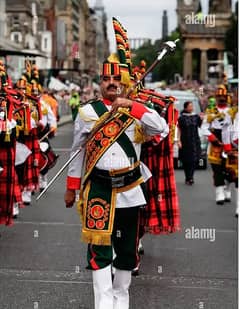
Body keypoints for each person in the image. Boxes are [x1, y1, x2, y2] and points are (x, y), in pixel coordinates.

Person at [64, 59, 168, 309]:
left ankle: (121, 300)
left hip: (130, 189)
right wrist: (71, 187)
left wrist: (133, 106)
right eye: (106, 80)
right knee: (99, 250)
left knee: (126, 249)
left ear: (124, 84)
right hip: (98, 187)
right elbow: (77, 152)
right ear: (100, 84)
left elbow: (162, 129)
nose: (111, 83)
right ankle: (103, 304)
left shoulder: (140, 110)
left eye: (116, 80)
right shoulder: (88, 112)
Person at [201, 84, 235, 204]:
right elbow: (204, 128)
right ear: (216, 97)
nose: (221, 98)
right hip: (215, 141)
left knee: (231, 170)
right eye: (219, 96)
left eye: (223, 96)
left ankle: (228, 189)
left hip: (231, 141)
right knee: (217, 169)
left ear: (227, 97)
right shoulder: (210, 111)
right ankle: (219, 193)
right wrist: (213, 139)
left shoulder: (233, 111)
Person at [178, 101, 203, 185]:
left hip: (195, 140)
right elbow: (179, 130)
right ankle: (188, 177)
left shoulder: (196, 117)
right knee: (186, 160)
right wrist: (178, 140)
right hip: (185, 141)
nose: (191, 108)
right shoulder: (181, 118)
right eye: (190, 106)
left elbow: (200, 125)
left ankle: (191, 177)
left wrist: (202, 119)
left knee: (195, 160)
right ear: (185, 108)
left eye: (192, 106)